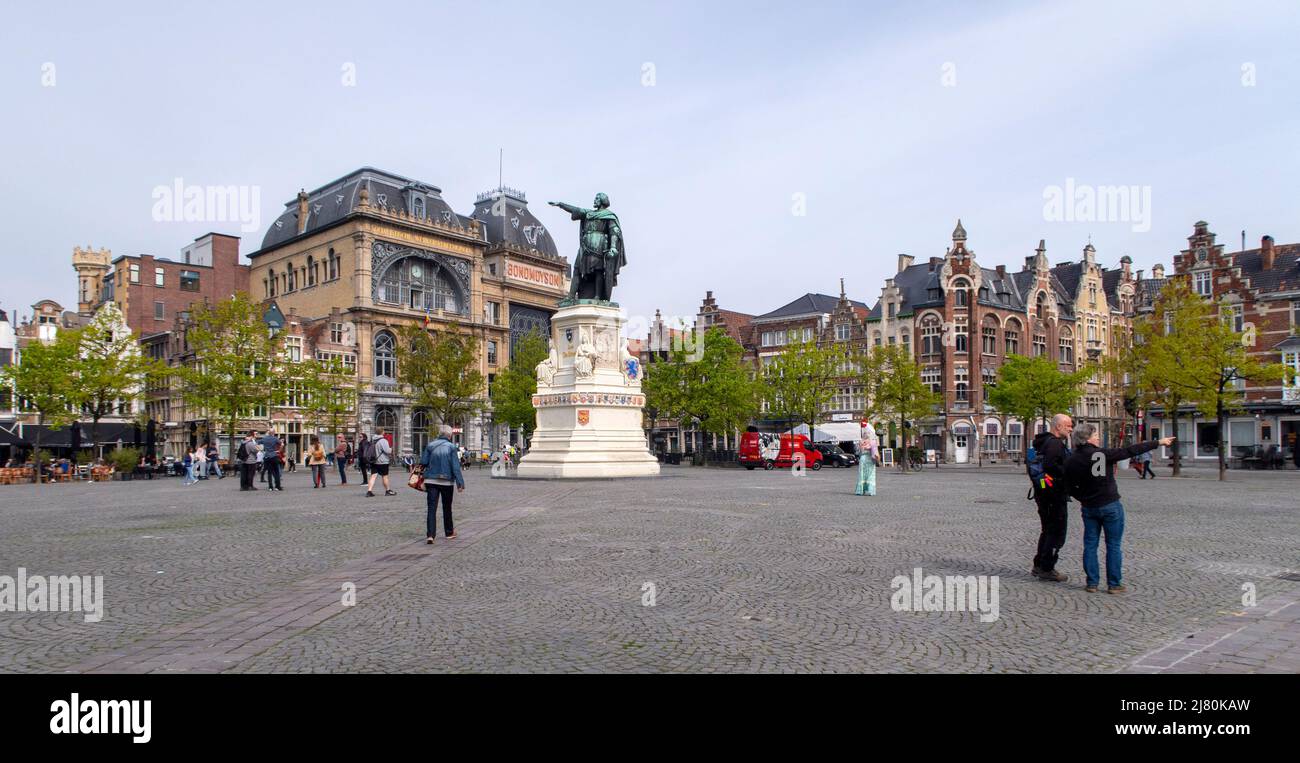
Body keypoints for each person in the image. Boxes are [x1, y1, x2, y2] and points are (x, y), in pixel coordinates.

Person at [1065, 424, 1175, 594]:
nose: (1098, 438)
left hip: (1089, 507)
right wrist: (1158, 442)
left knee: (1090, 545)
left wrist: (1083, 498)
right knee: (1113, 545)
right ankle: (1114, 583)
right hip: (1109, 504)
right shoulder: (1101, 454)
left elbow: (1069, 486)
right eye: (1095, 435)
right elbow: (1130, 451)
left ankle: (1092, 583)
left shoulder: (1072, 458)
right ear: (1087, 438)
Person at [1029, 414, 1073, 583]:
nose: (1070, 429)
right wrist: (1067, 473)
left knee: (1047, 530)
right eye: (1068, 426)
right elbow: (1051, 466)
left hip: (1043, 493)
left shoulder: (1042, 442)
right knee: (1056, 532)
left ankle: (1039, 564)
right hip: (1053, 494)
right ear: (1058, 426)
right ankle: (1047, 568)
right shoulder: (1055, 444)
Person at [420, 424, 465, 542]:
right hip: (447, 481)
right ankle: (449, 532)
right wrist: (460, 483)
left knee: (431, 508)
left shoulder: (430, 445)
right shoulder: (451, 447)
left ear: (439, 434)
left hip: (430, 480)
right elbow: (455, 466)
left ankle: (430, 535)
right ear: (450, 436)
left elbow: (423, 462)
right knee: (447, 507)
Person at [365, 427, 395, 497]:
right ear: (382, 432)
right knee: (385, 476)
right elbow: (387, 451)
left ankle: (369, 491)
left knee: (373, 476)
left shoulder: (372, 440)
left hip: (374, 460)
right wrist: (391, 449)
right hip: (382, 461)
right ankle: (387, 491)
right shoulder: (383, 440)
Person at [855, 423, 880, 496]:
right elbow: (876, 452)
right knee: (870, 474)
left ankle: (861, 490)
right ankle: (870, 490)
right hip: (870, 459)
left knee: (862, 474)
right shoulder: (873, 442)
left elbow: (859, 452)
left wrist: (864, 447)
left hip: (863, 459)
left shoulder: (861, 441)